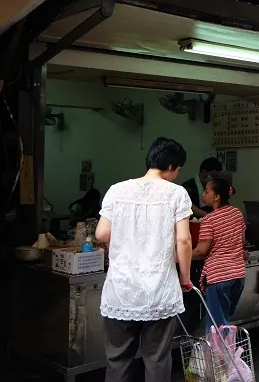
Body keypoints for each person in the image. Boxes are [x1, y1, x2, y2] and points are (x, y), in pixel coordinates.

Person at [95, 137, 193, 382]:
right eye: (178, 168)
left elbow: (101, 233)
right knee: (157, 358)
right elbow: (184, 241)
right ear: (170, 165)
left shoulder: (117, 190)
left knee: (117, 359)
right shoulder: (176, 194)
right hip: (158, 291)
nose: (177, 173)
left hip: (121, 290)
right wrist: (185, 278)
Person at [192, 176, 246, 332]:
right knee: (224, 320)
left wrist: (176, 255)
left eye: (206, 191)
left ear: (216, 196)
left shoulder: (209, 220)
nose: (203, 194)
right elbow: (241, 241)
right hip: (237, 276)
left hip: (218, 277)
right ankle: (225, 354)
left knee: (217, 327)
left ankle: (220, 356)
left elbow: (201, 251)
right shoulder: (237, 213)